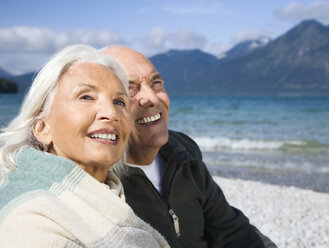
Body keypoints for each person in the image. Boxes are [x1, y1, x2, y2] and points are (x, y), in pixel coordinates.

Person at [102, 45, 277, 247]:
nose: (151, 97)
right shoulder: (102, 181)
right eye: (130, 88)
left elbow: (231, 230)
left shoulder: (183, 152)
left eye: (156, 83)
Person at [0, 45, 169, 248]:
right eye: (86, 97)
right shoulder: (29, 220)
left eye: (119, 101)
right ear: (43, 128)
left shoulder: (111, 195)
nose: (111, 113)